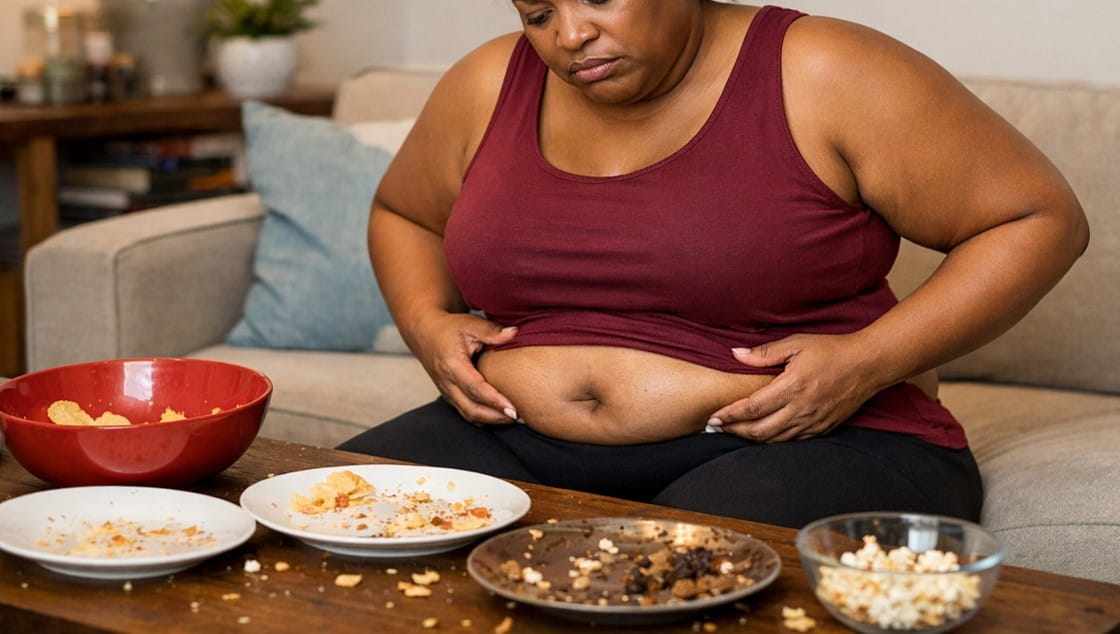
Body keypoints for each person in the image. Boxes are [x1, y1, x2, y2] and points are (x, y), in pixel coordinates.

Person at [338, 1, 1088, 528]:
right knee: (299, 522)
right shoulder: (486, 82)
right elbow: (404, 212)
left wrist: (865, 362)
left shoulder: (823, 67)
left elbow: (1036, 220)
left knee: (663, 580)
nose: (569, 33)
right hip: (507, 434)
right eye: (537, 12)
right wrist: (426, 323)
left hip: (811, 442)